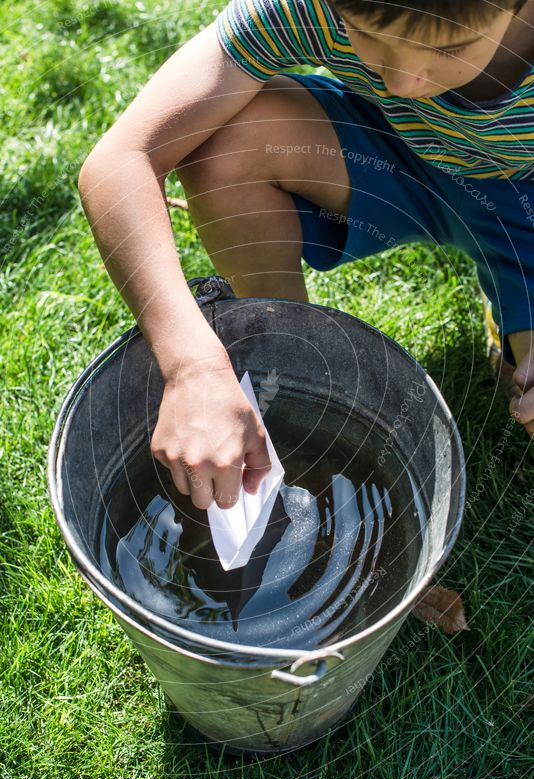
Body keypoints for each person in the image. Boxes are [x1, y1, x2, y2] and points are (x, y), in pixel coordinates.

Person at [78, 0, 534, 513]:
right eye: (366, 34)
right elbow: (122, 158)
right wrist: (192, 365)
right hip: (400, 150)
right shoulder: (313, 7)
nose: (403, 80)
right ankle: (286, 366)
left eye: (450, 48)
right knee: (221, 142)